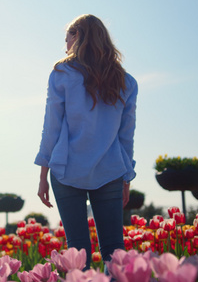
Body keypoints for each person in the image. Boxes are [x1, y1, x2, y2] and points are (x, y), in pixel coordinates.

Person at [35, 14, 137, 270]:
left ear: (78, 36)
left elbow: (52, 126)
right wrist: (126, 177)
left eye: (68, 36)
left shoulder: (61, 73)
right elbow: (126, 135)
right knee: (115, 250)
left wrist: (43, 174)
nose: (65, 44)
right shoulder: (126, 81)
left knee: (77, 250)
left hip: (66, 170)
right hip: (111, 170)